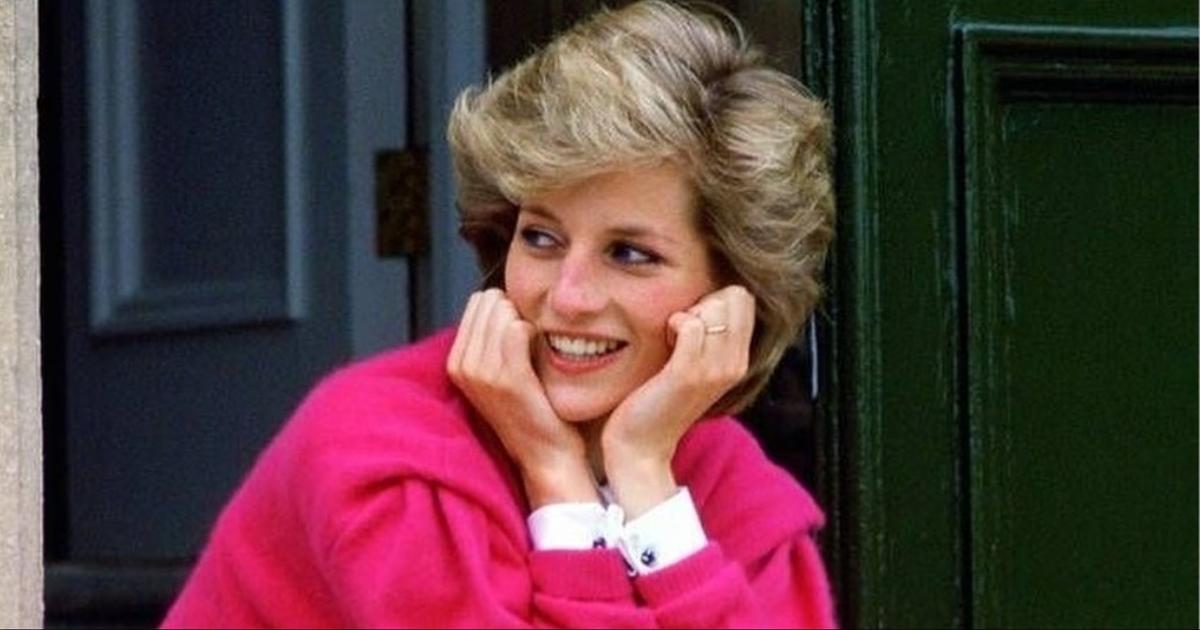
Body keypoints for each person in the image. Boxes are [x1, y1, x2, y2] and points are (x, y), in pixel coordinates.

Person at [162, 1, 836, 627]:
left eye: (629, 254)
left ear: (732, 291)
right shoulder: (382, 453)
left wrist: (642, 477)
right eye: (541, 237)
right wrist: (557, 474)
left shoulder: (731, 486)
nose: (567, 296)